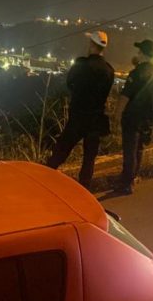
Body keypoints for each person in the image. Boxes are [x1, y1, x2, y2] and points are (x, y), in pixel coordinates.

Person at [46, 31, 114, 189]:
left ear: (91, 45)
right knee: (89, 158)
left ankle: (46, 178)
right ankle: (84, 188)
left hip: (78, 116)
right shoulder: (109, 70)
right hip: (96, 118)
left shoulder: (81, 64)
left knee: (61, 150)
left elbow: (70, 83)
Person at [114, 39, 153, 195]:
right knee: (139, 149)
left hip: (133, 117)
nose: (137, 54)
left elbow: (125, 96)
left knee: (130, 150)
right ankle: (132, 178)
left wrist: (117, 114)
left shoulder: (136, 73)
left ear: (142, 53)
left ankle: (126, 183)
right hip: (148, 117)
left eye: (139, 51)